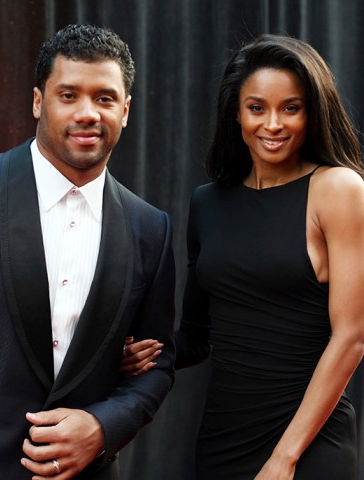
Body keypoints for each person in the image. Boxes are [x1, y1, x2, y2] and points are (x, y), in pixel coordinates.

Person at [123, 34, 364, 479]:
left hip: (308, 443)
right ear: (236, 112)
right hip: (223, 438)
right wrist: (142, 353)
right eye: (257, 108)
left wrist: (285, 457)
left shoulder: (338, 189)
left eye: (291, 108)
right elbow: (196, 334)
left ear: (313, 112)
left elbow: (351, 336)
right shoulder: (208, 203)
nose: (273, 124)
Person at [0, 24, 175, 479]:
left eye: (104, 98)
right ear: (37, 102)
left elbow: (157, 363)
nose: (88, 113)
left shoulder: (150, 227)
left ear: (125, 110)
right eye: (68, 95)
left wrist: (103, 425)